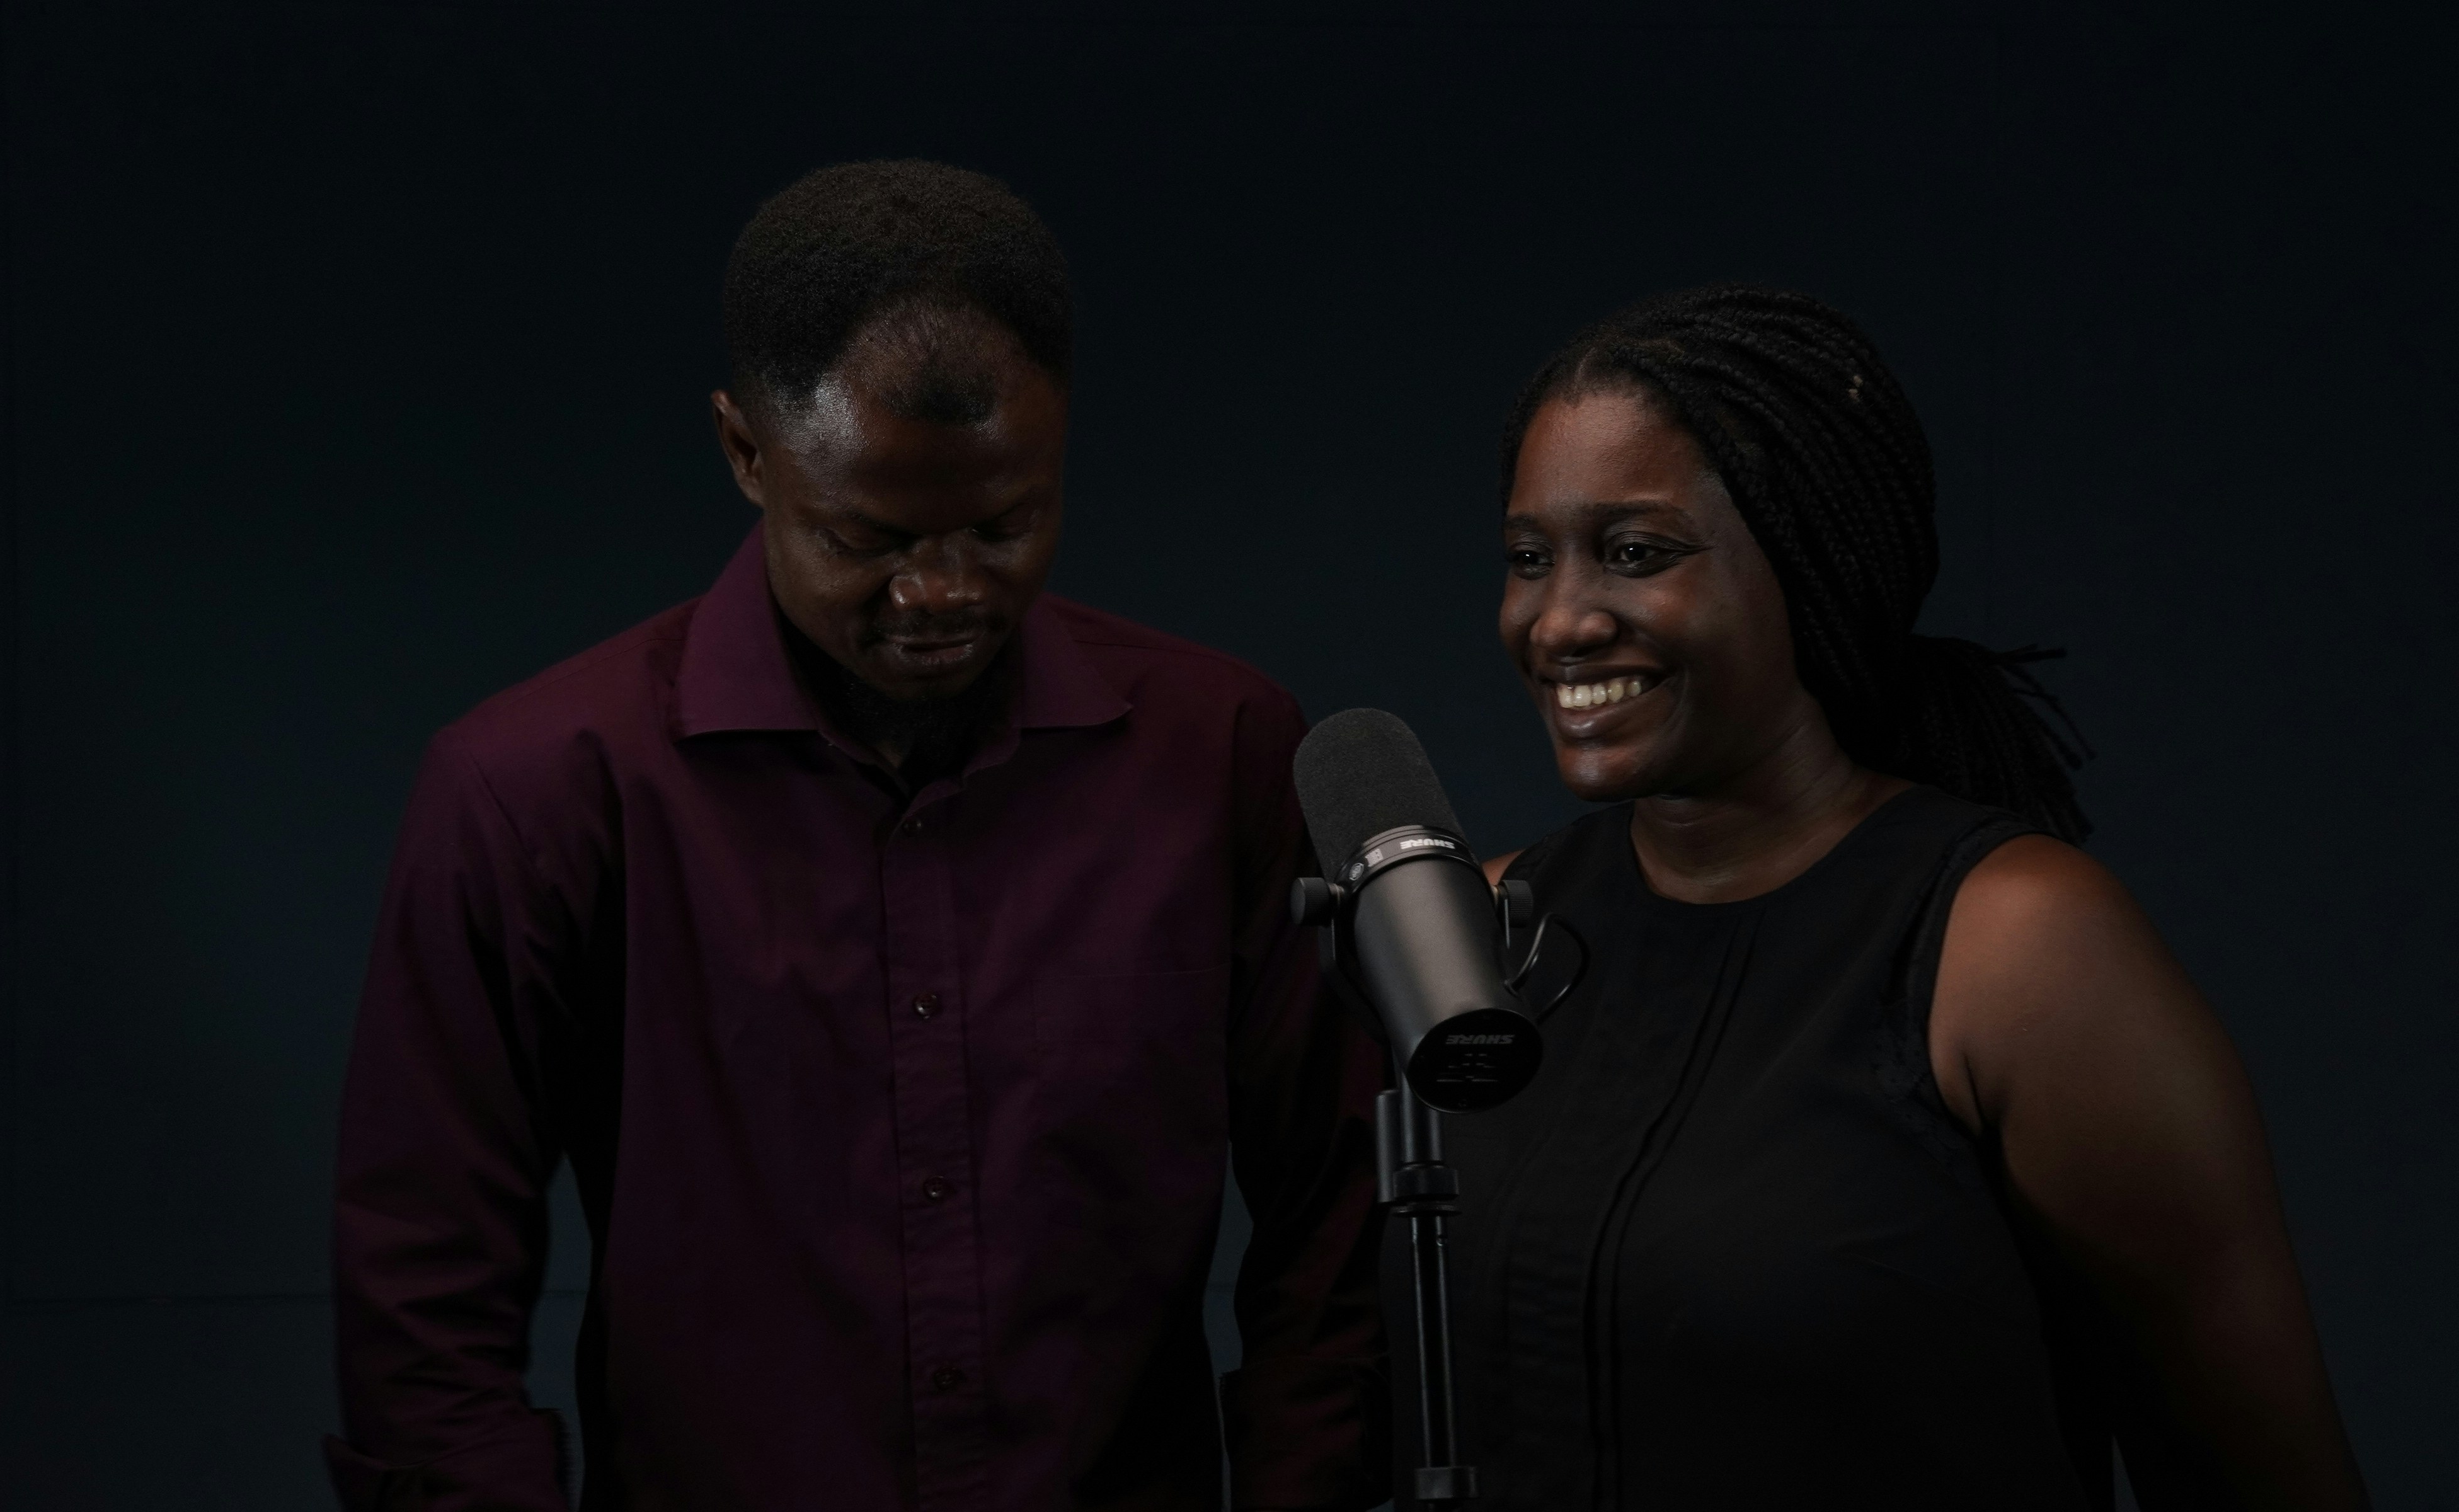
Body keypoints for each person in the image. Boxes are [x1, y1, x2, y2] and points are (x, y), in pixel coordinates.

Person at [324, 161, 1390, 1512]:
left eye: (1003, 526)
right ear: (744, 453)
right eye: (867, 537)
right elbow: (423, 1288)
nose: (940, 592)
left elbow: (1336, 1224)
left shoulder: (1223, 750)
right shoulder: (528, 792)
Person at [1435, 284, 2366, 1509]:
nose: (1559, 620)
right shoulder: (1476, 937)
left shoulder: (2012, 947)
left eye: (1636, 552)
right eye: (1527, 560)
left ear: (1808, 561)